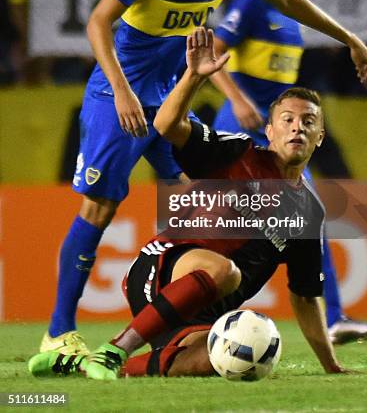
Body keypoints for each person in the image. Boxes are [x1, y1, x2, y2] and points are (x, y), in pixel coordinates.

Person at [41, 0, 367, 357]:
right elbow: (98, 22)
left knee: (197, 204)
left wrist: (350, 38)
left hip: (170, 94)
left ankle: (178, 321)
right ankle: (59, 332)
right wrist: (120, 90)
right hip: (118, 95)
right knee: (99, 207)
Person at [29, 27, 348, 380]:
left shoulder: (307, 212)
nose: (297, 129)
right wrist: (194, 77)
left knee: (221, 362)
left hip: (202, 311)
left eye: (308, 123)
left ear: (320, 137)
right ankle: (116, 348)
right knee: (226, 271)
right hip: (161, 271)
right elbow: (166, 124)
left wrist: (330, 365)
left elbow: (304, 297)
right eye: (287, 120)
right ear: (269, 130)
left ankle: (82, 366)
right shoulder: (236, 151)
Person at [211, 0, 367, 345]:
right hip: (239, 132)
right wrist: (237, 99)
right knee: (228, 227)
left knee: (311, 216)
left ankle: (336, 318)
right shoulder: (253, 4)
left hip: (272, 138)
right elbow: (213, 55)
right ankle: (197, 314)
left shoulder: (292, 23)